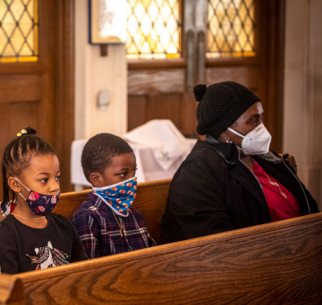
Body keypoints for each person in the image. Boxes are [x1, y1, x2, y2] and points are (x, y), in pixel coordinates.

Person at [161, 82, 319, 244]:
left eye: (261, 118)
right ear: (225, 132)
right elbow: (216, 245)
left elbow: (311, 213)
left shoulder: (265, 158)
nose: (262, 128)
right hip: (256, 263)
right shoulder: (197, 171)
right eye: (253, 121)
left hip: (302, 250)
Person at [0, 128, 87, 274]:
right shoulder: (7, 233)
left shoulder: (64, 226)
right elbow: (7, 286)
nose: (55, 187)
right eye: (44, 180)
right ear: (16, 184)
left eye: (57, 178)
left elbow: (83, 273)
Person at [72, 133, 155, 259]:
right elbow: (88, 270)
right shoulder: (88, 218)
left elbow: (152, 257)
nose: (132, 179)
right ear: (96, 179)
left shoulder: (135, 215)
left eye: (134, 172)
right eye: (123, 174)